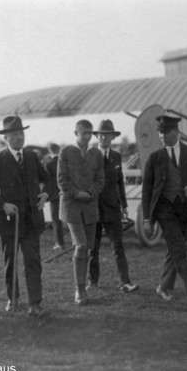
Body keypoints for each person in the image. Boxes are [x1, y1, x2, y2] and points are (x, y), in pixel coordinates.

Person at [0, 116, 50, 317]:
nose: (19, 137)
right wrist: (2, 204)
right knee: (10, 262)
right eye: (15, 134)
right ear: (7, 137)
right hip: (9, 223)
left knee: (33, 262)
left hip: (31, 222)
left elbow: (47, 180)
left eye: (21, 133)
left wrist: (46, 194)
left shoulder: (31, 157)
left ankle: (35, 302)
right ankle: (13, 297)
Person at [142, 115, 187, 306]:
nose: (162, 136)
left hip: (186, 210)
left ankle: (163, 286)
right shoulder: (154, 158)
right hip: (165, 210)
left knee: (175, 249)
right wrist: (147, 219)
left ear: (176, 132)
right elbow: (146, 190)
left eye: (165, 132)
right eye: (159, 133)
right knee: (179, 249)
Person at [88, 120, 139, 293]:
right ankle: (92, 281)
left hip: (112, 208)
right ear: (97, 136)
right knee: (92, 248)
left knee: (118, 246)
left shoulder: (116, 157)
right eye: (101, 134)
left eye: (107, 134)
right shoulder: (89, 154)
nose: (104, 137)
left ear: (112, 137)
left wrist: (124, 205)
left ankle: (124, 282)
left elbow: (119, 182)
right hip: (93, 208)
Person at [58, 120, 105, 305]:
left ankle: (83, 286)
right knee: (81, 246)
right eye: (83, 133)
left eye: (89, 133)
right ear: (75, 133)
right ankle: (79, 290)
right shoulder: (66, 152)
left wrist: (91, 193)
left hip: (90, 208)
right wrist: (78, 194)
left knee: (88, 248)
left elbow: (101, 179)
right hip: (72, 208)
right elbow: (62, 180)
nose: (86, 136)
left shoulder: (96, 154)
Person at [45, 143, 65, 250]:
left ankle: (59, 243)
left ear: (50, 150)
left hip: (54, 195)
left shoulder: (49, 164)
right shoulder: (64, 162)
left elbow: (48, 182)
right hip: (65, 194)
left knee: (56, 220)